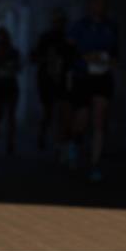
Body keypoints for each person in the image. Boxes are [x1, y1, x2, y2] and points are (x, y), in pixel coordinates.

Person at [67, 0, 118, 182]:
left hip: (102, 77)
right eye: (96, 2)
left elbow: (116, 54)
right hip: (83, 76)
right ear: (90, 5)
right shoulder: (80, 26)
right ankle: (74, 142)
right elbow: (69, 50)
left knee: (100, 119)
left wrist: (109, 60)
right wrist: (84, 57)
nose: (100, 7)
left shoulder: (111, 27)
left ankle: (95, 163)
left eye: (103, 3)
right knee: (82, 118)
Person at [31, 10, 73, 156]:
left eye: (60, 21)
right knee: (49, 111)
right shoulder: (46, 38)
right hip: (47, 80)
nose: (58, 24)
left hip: (62, 80)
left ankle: (58, 141)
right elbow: (34, 56)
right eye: (56, 21)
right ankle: (46, 135)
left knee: (61, 111)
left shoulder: (67, 39)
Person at [0, 27, 21, 155]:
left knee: (11, 115)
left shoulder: (13, 52)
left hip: (10, 85)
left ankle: (10, 140)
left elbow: (19, 66)